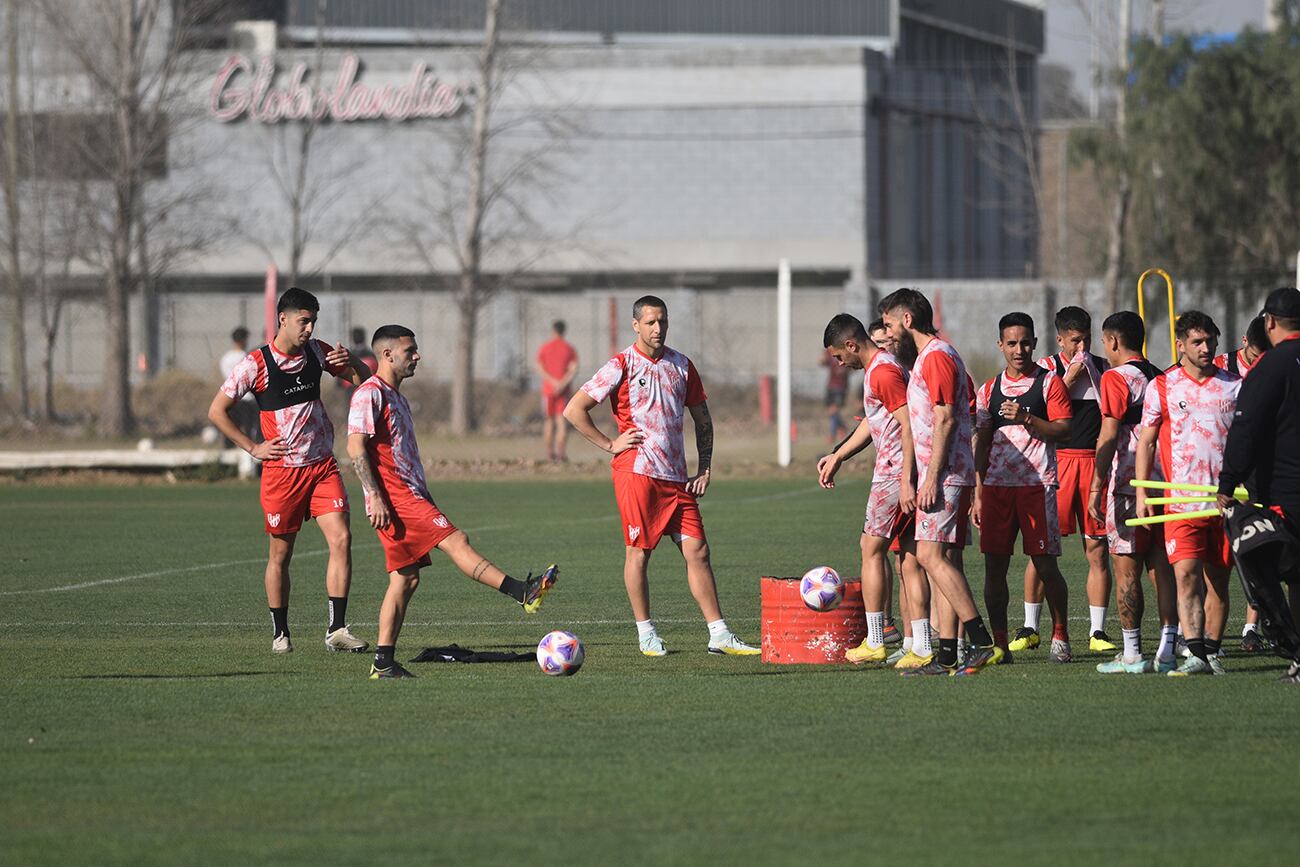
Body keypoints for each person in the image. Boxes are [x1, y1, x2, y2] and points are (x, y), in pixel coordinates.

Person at [347, 325, 559, 679]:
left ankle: (383, 662)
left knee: (405, 579)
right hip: (396, 497)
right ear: (387, 355)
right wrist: (373, 496)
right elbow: (355, 447)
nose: (417, 356)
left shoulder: (396, 396)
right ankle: (523, 592)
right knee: (456, 540)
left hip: (409, 494)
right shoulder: (370, 394)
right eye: (410, 350)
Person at [564, 295, 759, 656]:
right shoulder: (620, 364)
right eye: (651, 322)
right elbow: (574, 409)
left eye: (663, 321)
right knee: (639, 553)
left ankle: (719, 634)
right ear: (636, 325)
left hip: (676, 477)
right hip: (637, 473)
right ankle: (646, 633)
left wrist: (705, 467)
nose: (658, 328)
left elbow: (703, 419)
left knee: (698, 550)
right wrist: (609, 444)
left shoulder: (682, 366)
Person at [207, 288, 372, 654]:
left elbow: (365, 382)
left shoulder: (317, 351)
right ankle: (281, 633)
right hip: (282, 474)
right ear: (283, 319)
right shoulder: (256, 364)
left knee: (342, 539)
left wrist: (354, 364)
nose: (310, 328)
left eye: (313, 321)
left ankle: (337, 629)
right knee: (280, 556)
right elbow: (217, 411)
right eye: (304, 320)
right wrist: (253, 447)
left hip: (321, 467)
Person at [878, 287, 1002, 675]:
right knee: (944, 560)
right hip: (945, 473)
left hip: (946, 475)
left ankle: (982, 642)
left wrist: (929, 478)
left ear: (907, 320)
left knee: (930, 556)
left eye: (888, 324)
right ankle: (947, 655)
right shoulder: (927, 358)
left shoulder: (936, 356)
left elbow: (946, 417)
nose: (887, 333)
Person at [1136, 310, 1241, 676]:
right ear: (1180, 345)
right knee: (1186, 576)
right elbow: (1146, 442)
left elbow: (1247, 441)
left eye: (1211, 340)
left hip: (1226, 503)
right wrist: (1142, 493)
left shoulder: (1233, 385)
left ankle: (1211, 650)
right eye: (1198, 341)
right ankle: (1194, 652)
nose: (1206, 347)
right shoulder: (1163, 386)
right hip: (1180, 503)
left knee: (1219, 583)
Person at [816, 314, 924, 666]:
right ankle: (918, 645)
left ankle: (876, 639)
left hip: (894, 474)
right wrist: (838, 455)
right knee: (908, 557)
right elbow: (876, 424)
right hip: (900, 472)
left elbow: (909, 424)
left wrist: (907, 478)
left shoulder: (882, 371)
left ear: (850, 345)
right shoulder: (878, 370)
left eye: (837, 356)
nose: (838, 363)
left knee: (870, 549)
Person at [973, 313, 1074, 664]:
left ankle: (1060, 635)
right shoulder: (987, 390)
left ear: (1035, 342)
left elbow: (1064, 429)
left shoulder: (1049, 384)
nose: (1020, 349)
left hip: (1037, 486)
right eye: (1012, 343)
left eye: (1026, 342)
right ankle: (1000, 643)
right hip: (998, 489)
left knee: (1045, 566)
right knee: (994, 570)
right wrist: (978, 492)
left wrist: (1028, 418)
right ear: (1000, 345)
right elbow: (981, 443)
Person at [1015, 307, 1115, 655]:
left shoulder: (1103, 368)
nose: (1082, 347)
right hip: (1056, 465)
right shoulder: (1046, 370)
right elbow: (1037, 414)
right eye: (1075, 341)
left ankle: (1098, 631)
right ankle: (1030, 626)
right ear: (1061, 340)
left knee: (1097, 549)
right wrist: (1070, 378)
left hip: (1093, 463)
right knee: (1040, 550)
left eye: (1086, 339)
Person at [1089, 312, 1180, 674]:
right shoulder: (1163, 376)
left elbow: (1109, 434)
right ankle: (1170, 648)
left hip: (1128, 484)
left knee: (1126, 569)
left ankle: (1131, 654)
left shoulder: (1115, 377)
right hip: (1166, 482)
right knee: (1164, 568)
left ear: (1112, 341)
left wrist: (1097, 484)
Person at [1217, 287, 1300, 683]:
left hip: (1287, 491)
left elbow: (1246, 428)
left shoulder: (1270, 366)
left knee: (1288, 576)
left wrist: (1228, 481)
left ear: (1269, 322)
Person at [1213, 314, 1269, 650]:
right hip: (1220, 471)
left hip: (1260, 470)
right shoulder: (1219, 368)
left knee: (1256, 547)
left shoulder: (1275, 367)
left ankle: (1252, 627)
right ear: (1244, 343)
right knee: (1216, 558)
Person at [536, 320, 579, 462]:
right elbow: (573, 369)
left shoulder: (545, 348)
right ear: (564, 331)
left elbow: (539, 368)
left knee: (549, 422)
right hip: (563, 391)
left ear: (553, 331)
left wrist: (552, 381)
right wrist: (562, 383)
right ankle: (561, 454)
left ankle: (550, 454)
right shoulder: (569, 349)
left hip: (548, 390)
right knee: (561, 422)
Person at [218, 327, 260, 449]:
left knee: (231, 426)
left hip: (230, 397)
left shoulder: (225, 358)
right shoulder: (246, 356)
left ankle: (228, 449)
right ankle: (250, 450)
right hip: (247, 398)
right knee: (250, 428)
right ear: (244, 340)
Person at [821, 346, 850, 444]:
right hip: (830, 385)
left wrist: (845, 370)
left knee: (834, 410)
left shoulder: (845, 350)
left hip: (841, 386)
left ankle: (832, 436)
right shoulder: (829, 351)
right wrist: (823, 360)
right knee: (831, 412)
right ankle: (842, 427)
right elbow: (823, 362)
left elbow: (852, 367)